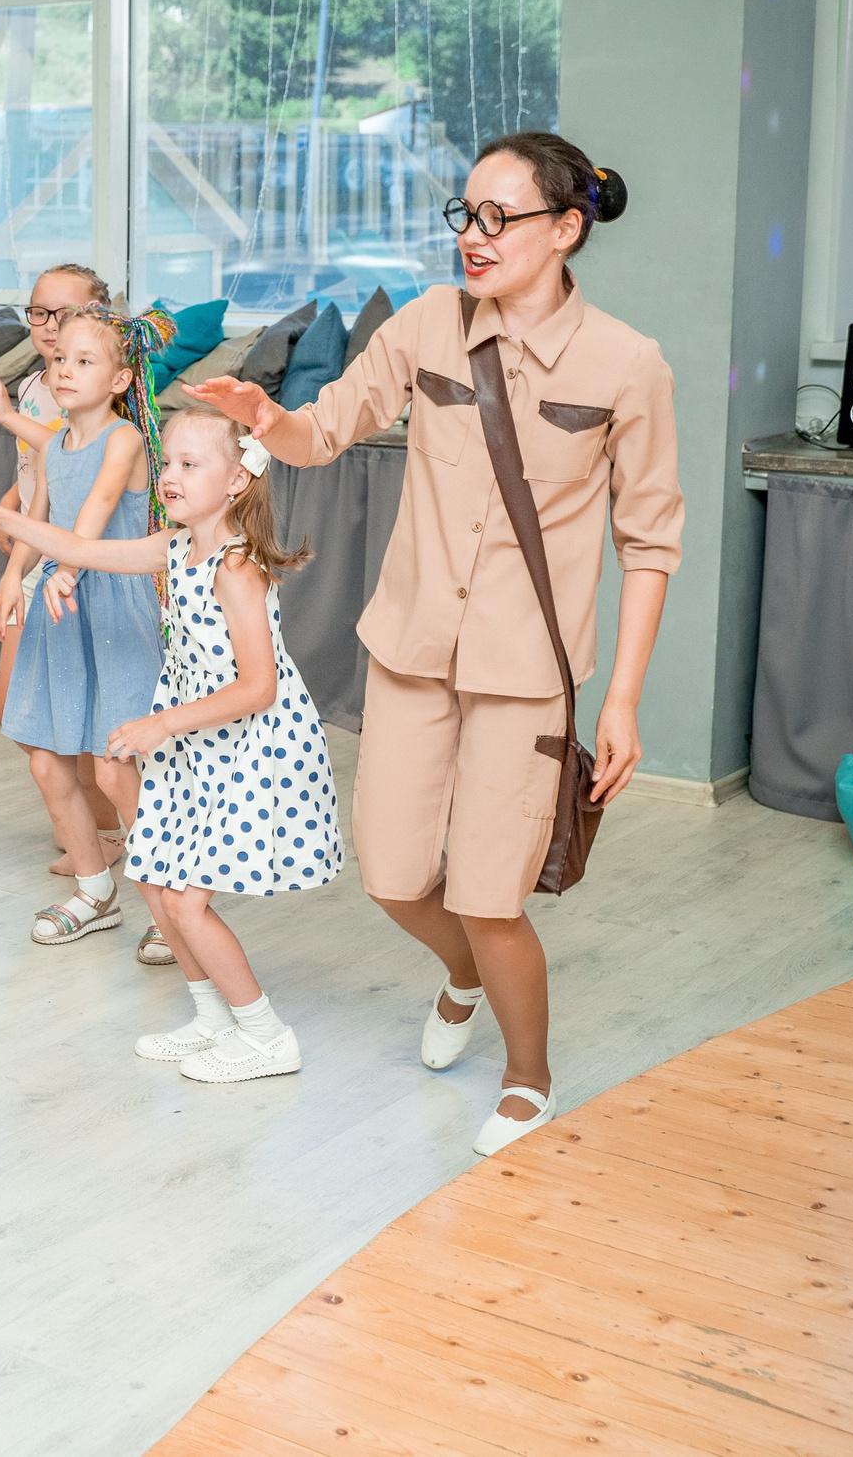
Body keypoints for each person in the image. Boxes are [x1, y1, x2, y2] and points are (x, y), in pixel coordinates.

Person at [195, 131, 680, 1156]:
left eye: (498, 217)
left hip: (524, 675)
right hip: (410, 651)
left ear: (565, 228)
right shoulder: (426, 323)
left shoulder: (626, 364)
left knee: (490, 895)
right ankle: (458, 975)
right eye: (465, 213)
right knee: (392, 875)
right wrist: (262, 417)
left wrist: (624, 700)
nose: (473, 235)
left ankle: (526, 1074)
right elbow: (321, 433)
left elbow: (650, 542)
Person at [0, 405, 343, 1080]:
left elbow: (259, 687)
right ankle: (211, 1015)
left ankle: (266, 1035)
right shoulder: (175, 547)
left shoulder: (236, 568)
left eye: (189, 463)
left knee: (187, 901)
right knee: (151, 874)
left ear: (237, 480)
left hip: (247, 750)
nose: (169, 475)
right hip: (194, 746)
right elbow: (83, 550)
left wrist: (161, 724)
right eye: (167, 461)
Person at [0, 304, 169, 949]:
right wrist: (17, 578)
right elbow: (41, 509)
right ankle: (96, 889)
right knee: (46, 762)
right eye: (60, 357)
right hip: (58, 612)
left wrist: (68, 569)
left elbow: (94, 508)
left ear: (121, 379)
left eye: (84, 361)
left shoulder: (124, 438)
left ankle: (168, 908)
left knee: (117, 769)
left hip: (112, 606)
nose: (64, 369)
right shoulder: (56, 438)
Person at [0, 264, 133, 888]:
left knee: (102, 743)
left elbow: (84, 499)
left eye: (65, 316)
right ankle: (96, 851)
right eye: (39, 314)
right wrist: (15, 547)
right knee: (28, 718)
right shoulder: (46, 388)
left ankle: (118, 849)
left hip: (92, 578)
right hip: (48, 566)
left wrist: (54, 562)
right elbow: (46, 469)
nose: (53, 334)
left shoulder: (115, 423)